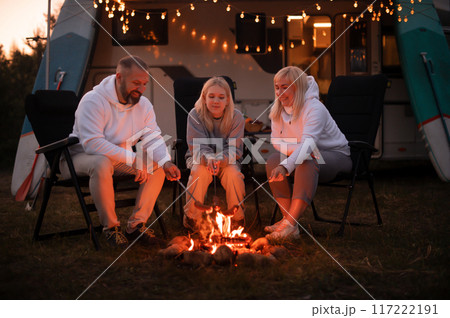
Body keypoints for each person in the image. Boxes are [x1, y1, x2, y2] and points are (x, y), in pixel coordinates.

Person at [60, 56, 180, 248]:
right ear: (119, 77)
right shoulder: (93, 100)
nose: (141, 88)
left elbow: (152, 137)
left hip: (117, 159)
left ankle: (136, 227)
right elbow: (92, 144)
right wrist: (134, 160)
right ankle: (111, 228)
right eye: (136, 83)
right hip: (79, 158)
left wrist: (166, 161)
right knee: (101, 162)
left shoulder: (143, 105)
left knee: (156, 165)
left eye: (144, 83)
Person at [265, 66, 352, 240]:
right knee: (273, 161)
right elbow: (276, 141)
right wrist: (291, 157)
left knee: (307, 159)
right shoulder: (277, 110)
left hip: (335, 155)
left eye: (285, 87)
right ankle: (288, 222)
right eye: (277, 87)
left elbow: (308, 144)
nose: (280, 92)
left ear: (298, 87)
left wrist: (290, 162)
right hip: (307, 153)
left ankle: (289, 225)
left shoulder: (314, 108)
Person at [183, 77, 245, 233]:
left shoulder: (236, 117)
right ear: (204, 97)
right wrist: (209, 158)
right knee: (199, 171)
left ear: (227, 99)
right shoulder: (195, 115)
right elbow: (197, 147)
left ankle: (237, 219)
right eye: (211, 96)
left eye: (221, 97)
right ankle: (192, 218)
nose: (216, 101)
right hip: (200, 157)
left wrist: (219, 159)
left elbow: (234, 149)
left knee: (233, 174)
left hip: (228, 159)